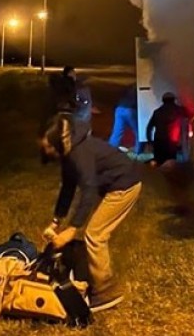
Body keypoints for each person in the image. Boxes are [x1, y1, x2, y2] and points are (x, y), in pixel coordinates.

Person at [39, 114, 143, 312]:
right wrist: (55, 222)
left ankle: (105, 291)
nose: (46, 151)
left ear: (58, 142)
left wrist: (72, 229)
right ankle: (95, 279)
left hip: (125, 185)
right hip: (112, 186)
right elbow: (68, 188)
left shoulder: (80, 153)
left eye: (49, 146)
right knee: (94, 232)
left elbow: (89, 191)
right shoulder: (68, 151)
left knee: (95, 235)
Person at [146, 92, 190, 167]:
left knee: (159, 164)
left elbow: (149, 128)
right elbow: (187, 123)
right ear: (173, 100)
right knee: (170, 166)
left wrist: (150, 142)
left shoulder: (157, 112)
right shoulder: (179, 111)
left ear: (163, 100)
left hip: (159, 142)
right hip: (171, 144)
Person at [108, 84, 141, 153]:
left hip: (119, 108)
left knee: (117, 132)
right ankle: (138, 152)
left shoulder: (128, 86)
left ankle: (109, 150)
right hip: (130, 109)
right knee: (138, 132)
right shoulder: (140, 87)